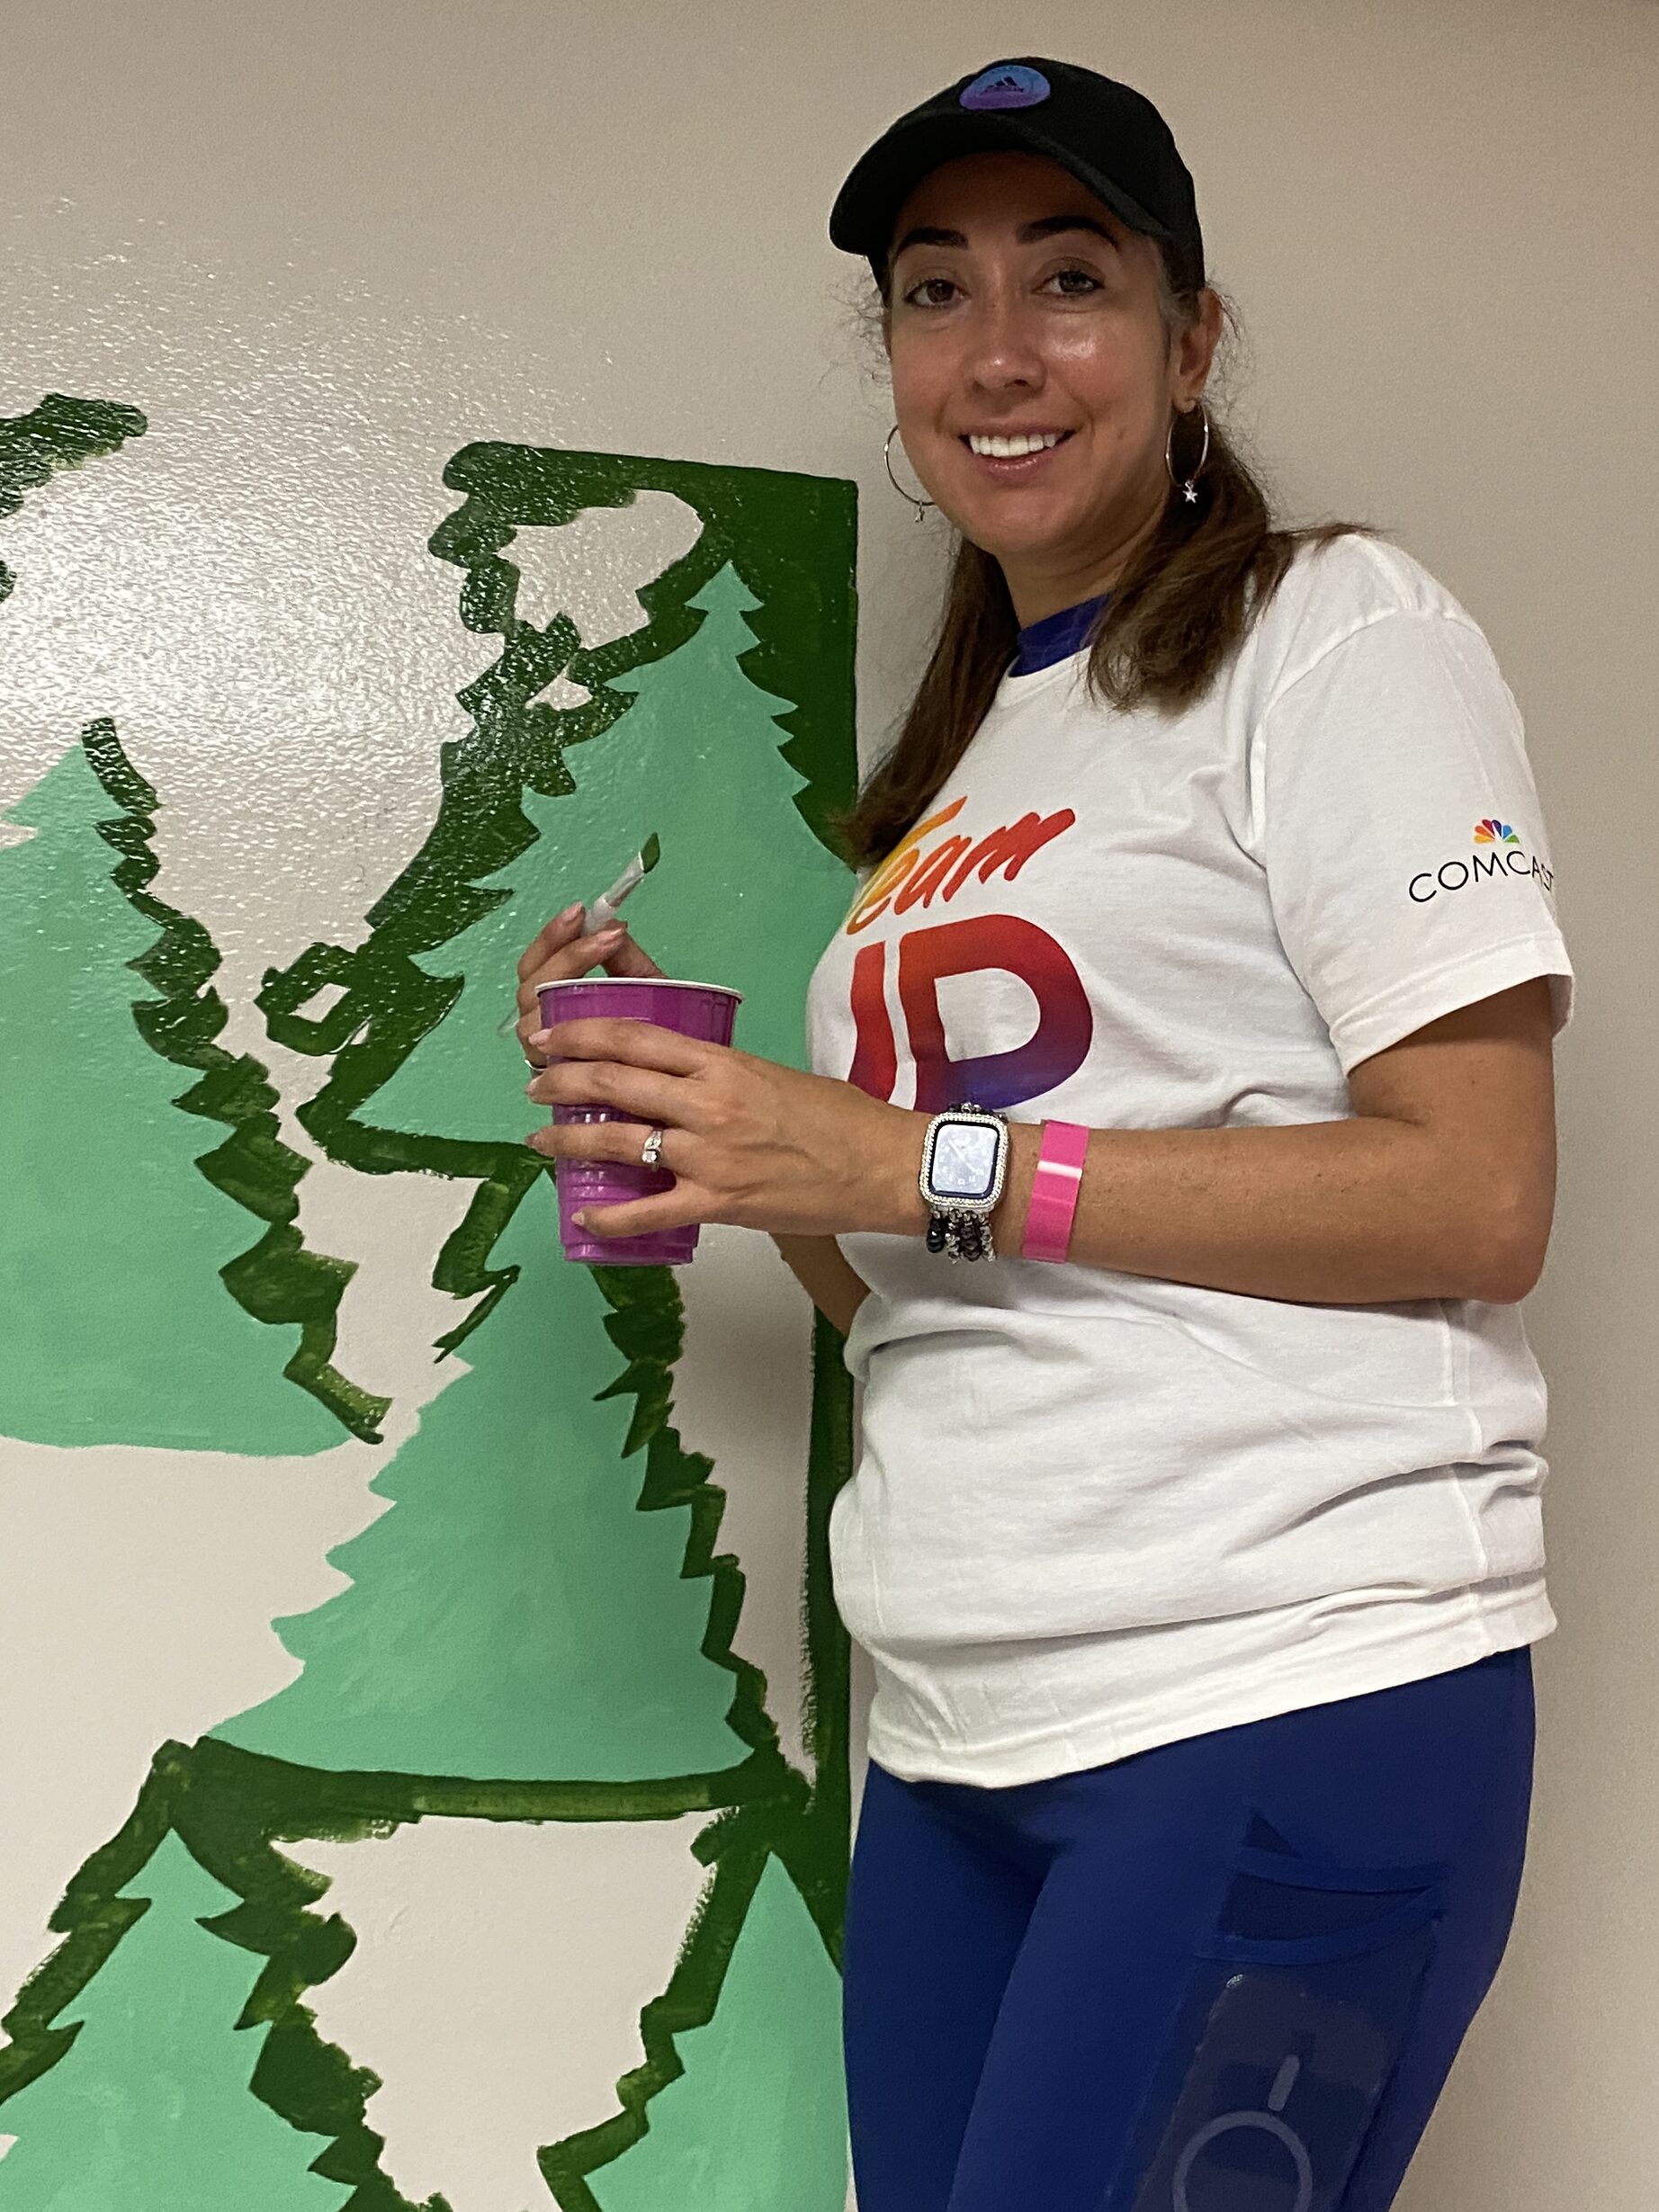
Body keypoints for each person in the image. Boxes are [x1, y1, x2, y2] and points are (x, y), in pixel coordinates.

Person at [515, 55, 1574, 2212]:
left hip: (1274, 1681)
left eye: (1068, 278)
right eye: (933, 291)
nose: (994, 353)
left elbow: (1477, 1193)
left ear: (1189, 343)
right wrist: (733, 1149)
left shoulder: (1335, 633)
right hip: (964, 1722)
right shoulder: (970, 761)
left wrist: (904, 1161)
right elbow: (914, 1257)